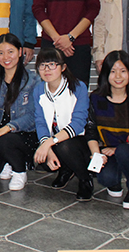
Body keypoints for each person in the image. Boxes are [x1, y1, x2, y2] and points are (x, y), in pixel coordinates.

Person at [0, 33, 40, 191]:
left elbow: (33, 116)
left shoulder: (33, 80)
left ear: (20, 52)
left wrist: (7, 128)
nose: (6, 57)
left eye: (10, 51)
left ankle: (20, 170)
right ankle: (8, 160)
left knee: (5, 140)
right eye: (1, 53)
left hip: (26, 134)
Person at [33, 47, 92, 201]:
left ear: (63, 67)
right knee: (43, 160)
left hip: (78, 141)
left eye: (52, 64)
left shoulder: (78, 87)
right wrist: (47, 148)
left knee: (64, 147)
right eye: (42, 65)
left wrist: (48, 144)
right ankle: (66, 169)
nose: (47, 69)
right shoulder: (38, 90)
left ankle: (85, 179)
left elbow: (79, 123)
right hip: (54, 141)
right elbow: (40, 122)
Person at [85, 50, 129, 209]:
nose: (118, 76)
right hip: (107, 149)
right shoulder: (97, 98)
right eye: (112, 71)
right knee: (106, 178)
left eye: (123, 71)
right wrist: (96, 154)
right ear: (105, 74)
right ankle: (114, 182)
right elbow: (91, 129)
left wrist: (118, 149)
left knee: (123, 152)